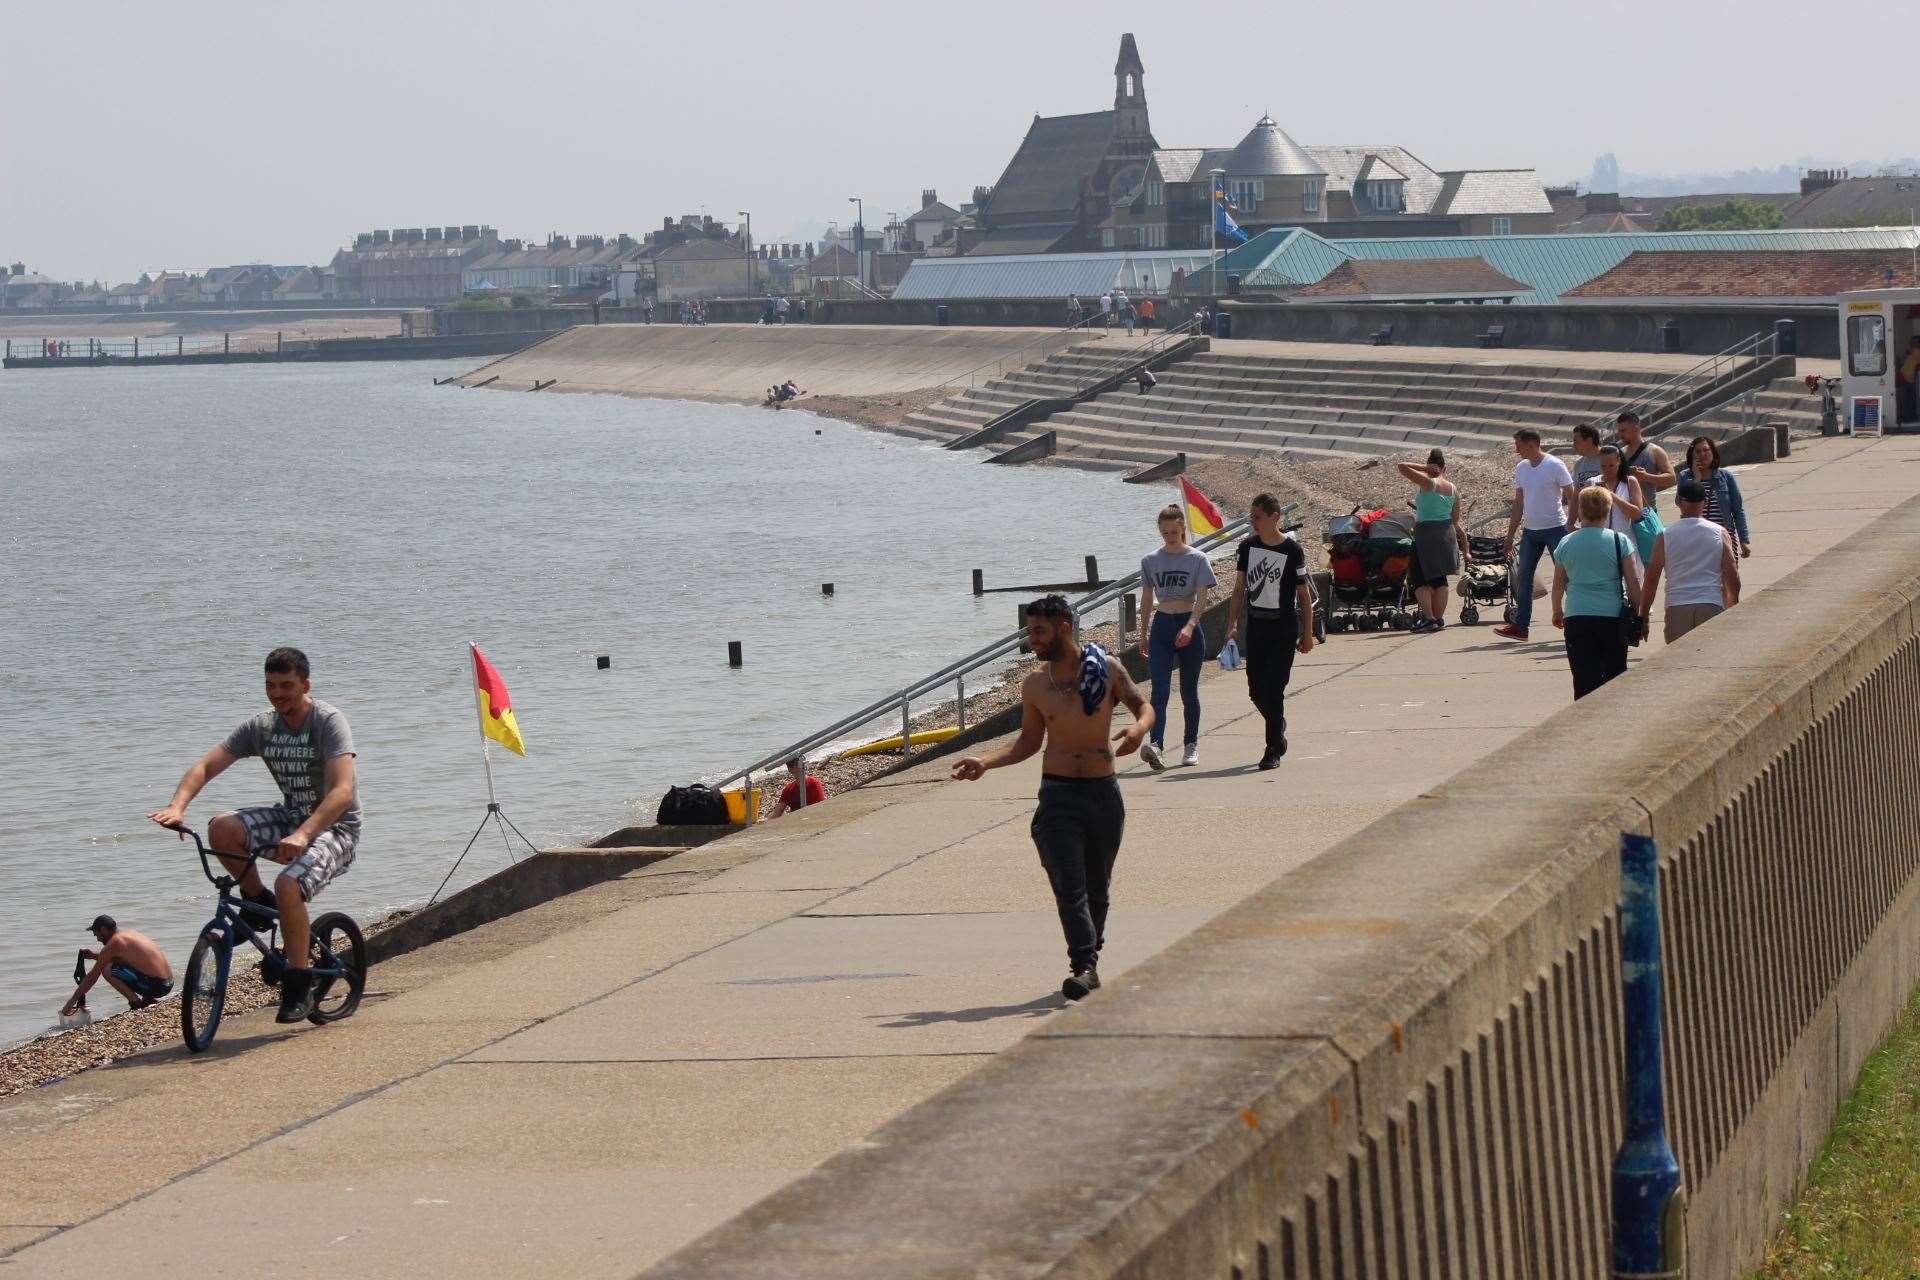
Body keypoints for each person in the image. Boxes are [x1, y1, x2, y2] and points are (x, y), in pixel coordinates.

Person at [950, 595, 1152, 1000]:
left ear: (1063, 626)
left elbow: (1143, 706)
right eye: (1029, 631)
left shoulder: (1106, 669)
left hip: (1102, 794)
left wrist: (1138, 731)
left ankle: (1090, 959)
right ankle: (1083, 965)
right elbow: (1028, 742)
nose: (1032, 639)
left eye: (1039, 631)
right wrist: (987, 762)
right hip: (1058, 796)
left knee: (1098, 887)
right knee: (1069, 885)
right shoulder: (1036, 685)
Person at [147, 647, 361, 1024]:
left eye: (286, 686)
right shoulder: (262, 727)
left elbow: (342, 791)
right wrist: (177, 807)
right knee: (222, 829)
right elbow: (205, 766)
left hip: (335, 827)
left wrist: (303, 834)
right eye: (270, 685)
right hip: (290, 818)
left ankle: (299, 983)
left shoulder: (327, 721)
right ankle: (253, 899)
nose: (277, 694)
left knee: (288, 885)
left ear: (305, 684)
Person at [1223, 493, 1315, 769]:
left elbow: (1304, 594)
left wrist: (1307, 632)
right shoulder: (1247, 547)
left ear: (1274, 518)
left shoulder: (1292, 551)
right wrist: (1232, 623)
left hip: (1283, 628)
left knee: (1274, 690)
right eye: (1251, 518)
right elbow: (1239, 589)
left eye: (1257, 518)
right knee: (1255, 690)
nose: (1253, 523)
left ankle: (1272, 748)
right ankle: (1278, 723)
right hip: (1256, 627)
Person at [1137, 505, 1216, 769]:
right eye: (1164, 532)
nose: (1169, 536)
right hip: (1162, 624)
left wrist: (1191, 625)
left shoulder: (1197, 559)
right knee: (1159, 690)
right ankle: (1156, 745)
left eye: (1174, 531)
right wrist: (1143, 633)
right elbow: (1147, 597)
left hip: (1187, 624)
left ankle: (1190, 744)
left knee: (1188, 691)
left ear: (1183, 528)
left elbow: (1202, 596)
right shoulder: (1150, 560)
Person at [1551, 487, 1643, 700]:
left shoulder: (1566, 542)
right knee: (1615, 676)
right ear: (1608, 510)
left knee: (1583, 678)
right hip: (1611, 617)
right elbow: (1632, 582)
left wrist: (1557, 611)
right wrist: (1640, 615)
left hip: (1577, 614)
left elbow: (1558, 585)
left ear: (1580, 511)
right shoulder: (1619, 541)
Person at [1494, 429, 1577, 641]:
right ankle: (1521, 627)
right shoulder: (1521, 468)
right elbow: (1519, 502)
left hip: (1556, 529)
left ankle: (1576, 623)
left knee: (1566, 577)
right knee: (1524, 577)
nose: (1516, 450)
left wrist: (1570, 524)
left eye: (1518, 445)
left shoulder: (1555, 465)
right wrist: (1510, 535)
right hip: (1531, 531)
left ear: (1531, 444)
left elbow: (1572, 495)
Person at [1641, 478, 1741, 643]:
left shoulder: (1665, 536)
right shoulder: (1719, 533)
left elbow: (1651, 580)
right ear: (1706, 503)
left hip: (1677, 606)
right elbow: (1731, 574)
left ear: (1678, 501)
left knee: (1679, 664)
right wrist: (1732, 604)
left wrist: (1643, 617)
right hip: (1711, 604)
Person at [1397, 450, 1468, 633]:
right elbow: (1455, 518)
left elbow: (1401, 467)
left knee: (1420, 579)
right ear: (1446, 467)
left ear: (1432, 466)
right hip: (1446, 533)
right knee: (1439, 579)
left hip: (1426, 534)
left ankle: (1429, 618)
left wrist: (1425, 469)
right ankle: (1438, 619)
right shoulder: (1453, 488)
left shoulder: (1428, 483)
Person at [63, 916, 172, 1016]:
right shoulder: (129, 934)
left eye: (97, 935)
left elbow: (92, 977)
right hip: (167, 983)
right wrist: (94, 956)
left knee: (106, 969)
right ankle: (148, 999)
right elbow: (126, 959)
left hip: (157, 987)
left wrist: (71, 1002)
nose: (98, 939)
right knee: (113, 964)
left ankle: (136, 1003)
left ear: (103, 930)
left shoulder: (114, 944)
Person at [1676, 435, 1752, 559]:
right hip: (1696, 540)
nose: (1702, 454)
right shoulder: (1685, 477)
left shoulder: (1726, 477)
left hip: (1723, 539)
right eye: (1698, 451)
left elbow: (1738, 510)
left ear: (1713, 452)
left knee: (1727, 577)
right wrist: (1697, 479)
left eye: (1706, 450)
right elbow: (1680, 503)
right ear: (1692, 455)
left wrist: (1744, 541)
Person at [1617, 411, 1675, 515]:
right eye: (1619, 431)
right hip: (1624, 514)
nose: (1621, 435)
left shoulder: (1654, 451)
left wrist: (1646, 476)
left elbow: (1671, 478)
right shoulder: (1620, 453)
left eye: (1624, 431)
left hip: (1647, 513)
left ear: (1636, 428)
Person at [1595, 444, 1649, 547]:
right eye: (1603, 466)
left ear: (1619, 461)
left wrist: (1612, 496)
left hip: (1625, 543)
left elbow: (1637, 514)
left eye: (1611, 465)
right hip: (1601, 544)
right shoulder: (1592, 483)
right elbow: (1584, 516)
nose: (1607, 470)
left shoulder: (1630, 482)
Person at [1569, 424, 1604, 489]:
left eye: (1576, 441)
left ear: (1589, 441)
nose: (1573, 446)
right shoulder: (1579, 464)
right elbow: (1575, 490)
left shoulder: (1609, 459)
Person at [1899, 335, 1920, 422]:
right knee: (1905, 401)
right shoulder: (1910, 353)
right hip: (1904, 379)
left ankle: (1913, 416)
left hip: (1913, 380)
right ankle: (1907, 417)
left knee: (1913, 400)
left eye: (1915, 342)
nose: (1912, 343)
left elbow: (1911, 351)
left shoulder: (1915, 351)